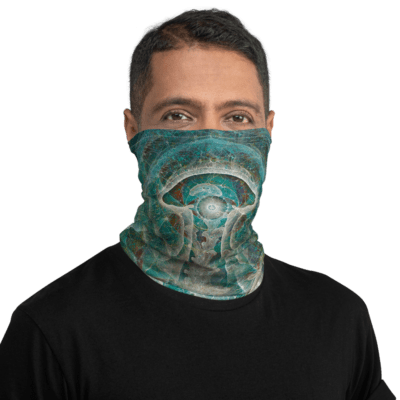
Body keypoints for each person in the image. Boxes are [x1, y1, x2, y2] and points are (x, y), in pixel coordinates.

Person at [0, 6, 396, 399]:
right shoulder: (53, 331)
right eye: (178, 115)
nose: (211, 145)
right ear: (132, 130)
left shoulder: (338, 317)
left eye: (237, 117)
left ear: (268, 130)